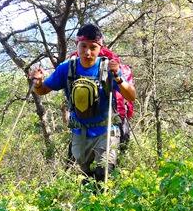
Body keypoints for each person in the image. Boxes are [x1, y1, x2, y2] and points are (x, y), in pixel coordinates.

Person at [30, 24, 136, 182]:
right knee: (84, 176)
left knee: (104, 174)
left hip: (106, 131)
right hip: (80, 133)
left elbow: (131, 96)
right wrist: (38, 84)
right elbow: (44, 89)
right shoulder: (67, 68)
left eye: (93, 47)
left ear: (100, 48)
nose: (87, 52)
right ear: (77, 45)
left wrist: (118, 77)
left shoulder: (108, 68)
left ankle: (104, 194)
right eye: (83, 46)